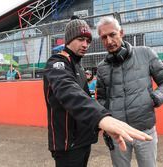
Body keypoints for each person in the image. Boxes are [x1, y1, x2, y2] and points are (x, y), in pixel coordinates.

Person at [43, 17, 152, 167]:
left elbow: (87, 98)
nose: (85, 44)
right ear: (68, 40)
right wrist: (101, 117)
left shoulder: (78, 66)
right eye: (81, 39)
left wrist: (99, 126)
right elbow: (69, 92)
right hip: (68, 145)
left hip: (83, 141)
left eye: (88, 41)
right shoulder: (57, 62)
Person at [96, 16, 163, 167]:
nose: (109, 41)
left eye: (112, 34)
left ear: (121, 33)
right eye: (104, 37)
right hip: (117, 132)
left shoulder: (146, 53)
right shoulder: (102, 67)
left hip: (145, 129)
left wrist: (154, 98)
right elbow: (100, 98)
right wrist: (107, 120)